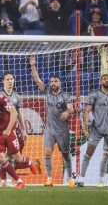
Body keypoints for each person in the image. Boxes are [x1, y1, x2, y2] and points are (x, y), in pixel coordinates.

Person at [30, 55, 76, 187]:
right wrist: (33, 65)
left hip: (62, 130)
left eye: (55, 81)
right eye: (51, 82)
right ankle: (49, 179)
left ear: (60, 82)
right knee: (47, 152)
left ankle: (69, 178)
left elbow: (71, 108)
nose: (53, 84)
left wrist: (67, 112)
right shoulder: (47, 92)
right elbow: (37, 80)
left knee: (66, 155)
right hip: (49, 129)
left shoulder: (65, 95)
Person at [76, 74, 108, 187]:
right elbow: (87, 111)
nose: (107, 80)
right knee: (89, 151)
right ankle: (81, 178)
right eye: (104, 79)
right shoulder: (94, 94)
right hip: (96, 129)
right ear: (101, 81)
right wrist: (84, 126)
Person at [0, 72, 28, 186]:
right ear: (3, 81)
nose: (9, 81)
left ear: (14, 80)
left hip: (12, 128)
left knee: (12, 153)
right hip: (0, 130)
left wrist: (24, 129)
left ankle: (8, 180)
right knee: (1, 154)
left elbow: (19, 113)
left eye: (11, 79)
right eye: (7, 79)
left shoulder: (17, 97)